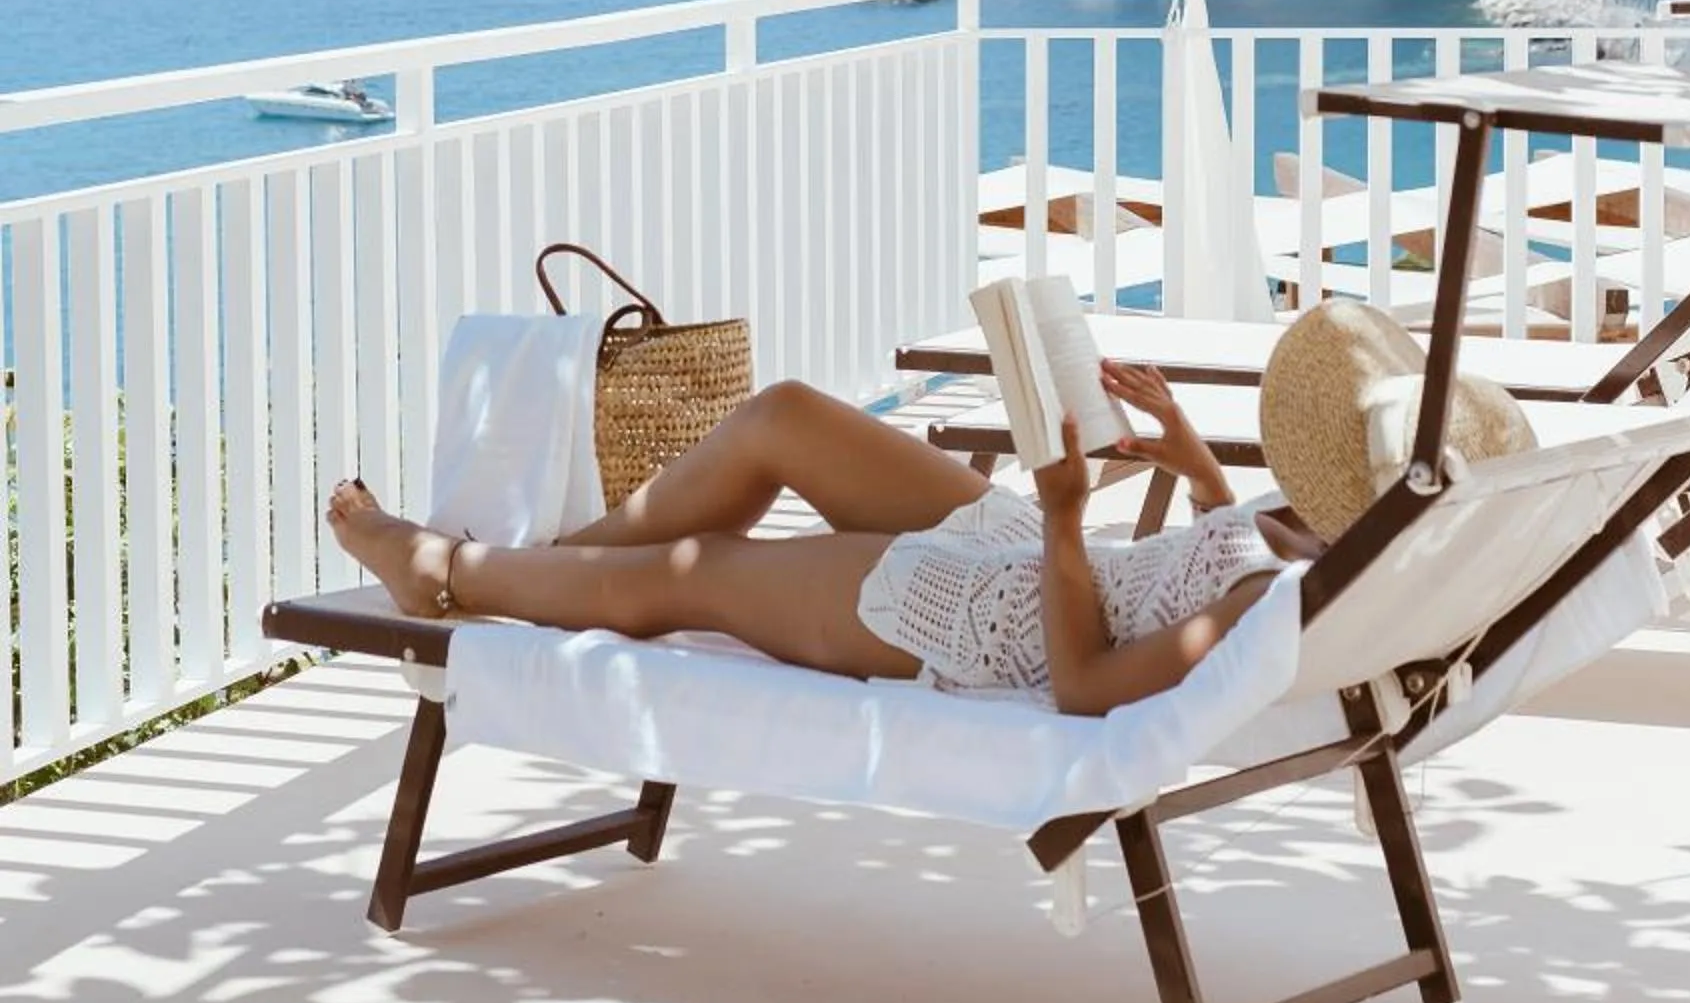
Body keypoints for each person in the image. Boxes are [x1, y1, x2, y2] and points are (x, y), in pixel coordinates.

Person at [326, 361, 1316, 718]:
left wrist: (1064, 515)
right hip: (1030, 551)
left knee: (700, 575)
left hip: (995, 621)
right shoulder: (1324, 542)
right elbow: (1210, 569)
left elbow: (1087, 688)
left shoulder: (1278, 602)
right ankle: (546, 570)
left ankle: (446, 575)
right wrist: (1198, 469)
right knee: (784, 417)